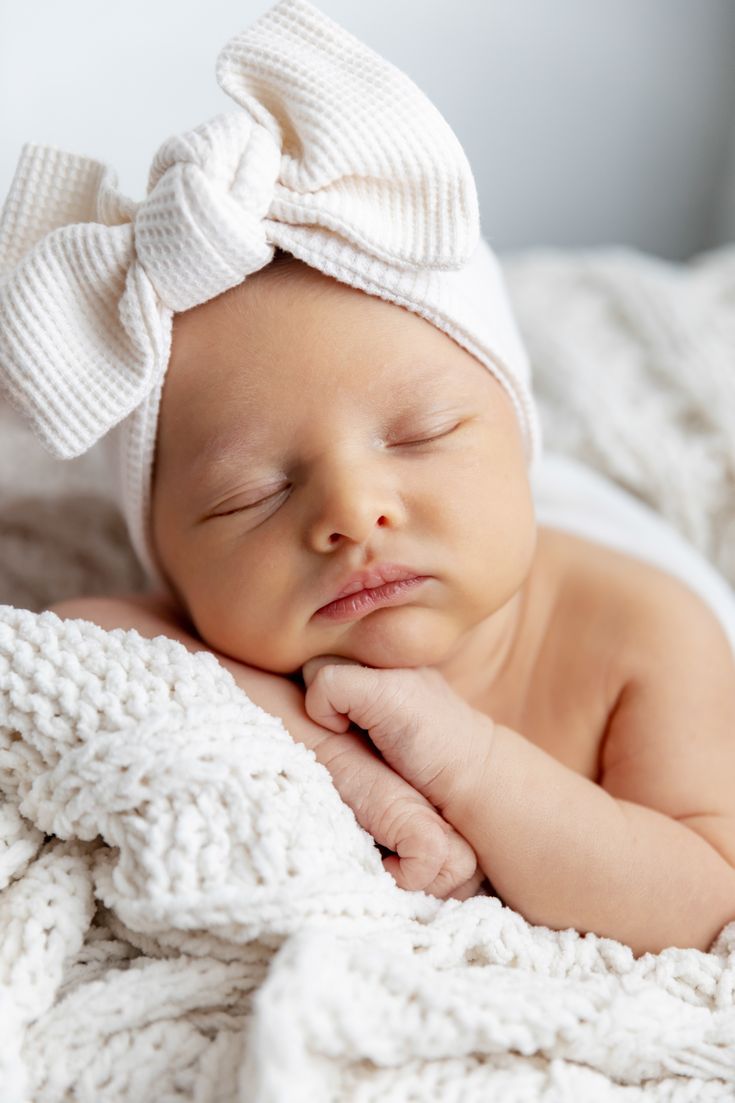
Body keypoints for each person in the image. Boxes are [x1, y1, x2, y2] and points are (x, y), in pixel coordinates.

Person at [2, 0, 735, 957]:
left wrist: (469, 763)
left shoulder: (641, 629)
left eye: (422, 435)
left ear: (515, 441)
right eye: (250, 495)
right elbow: (75, 642)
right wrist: (345, 765)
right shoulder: (235, 634)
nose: (351, 512)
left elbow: (706, 898)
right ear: (173, 564)